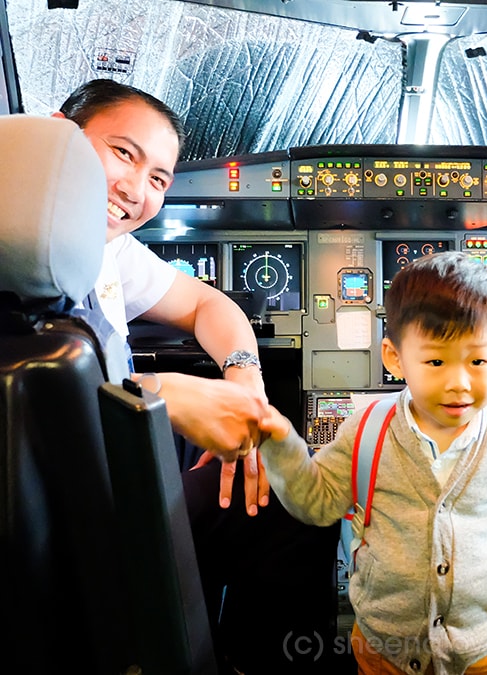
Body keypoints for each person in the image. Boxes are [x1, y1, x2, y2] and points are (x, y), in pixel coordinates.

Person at [55, 79, 339, 673]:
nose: (135, 188)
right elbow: (32, 410)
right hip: (79, 517)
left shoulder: (104, 247)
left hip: (114, 462)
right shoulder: (20, 251)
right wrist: (161, 393)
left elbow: (209, 306)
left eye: (158, 178)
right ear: (58, 133)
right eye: (123, 153)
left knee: (260, 462)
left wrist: (243, 378)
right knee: (290, 504)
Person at [256, 251, 487, 675]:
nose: (458, 382)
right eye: (435, 361)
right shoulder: (366, 431)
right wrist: (278, 442)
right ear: (395, 358)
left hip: (484, 647)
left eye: (477, 361)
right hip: (385, 647)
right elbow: (316, 503)